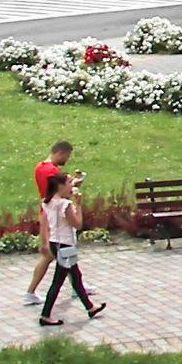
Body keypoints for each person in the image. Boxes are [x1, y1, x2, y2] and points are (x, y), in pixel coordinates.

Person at [37, 170, 104, 327]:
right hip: (65, 245)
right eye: (68, 183)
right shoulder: (64, 204)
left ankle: (90, 307)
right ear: (60, 186)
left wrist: (45, 242)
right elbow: (77, 224)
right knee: (58, 281)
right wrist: (78, 205)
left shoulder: (47, 202)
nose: (71, 186)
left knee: (76, 276)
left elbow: (45, 223)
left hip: (55, 242)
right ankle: (45, 315)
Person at [24, 140, 74, 304]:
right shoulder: (52, 171)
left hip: (48, 212)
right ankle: (31, 291)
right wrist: (72, 186)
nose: (67, 159)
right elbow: (59, 193)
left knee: (59, 254)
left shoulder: (39, 167)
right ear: (60, 153)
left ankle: (77, 285)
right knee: (55, 253)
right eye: (66, 156)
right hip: (54, 216)